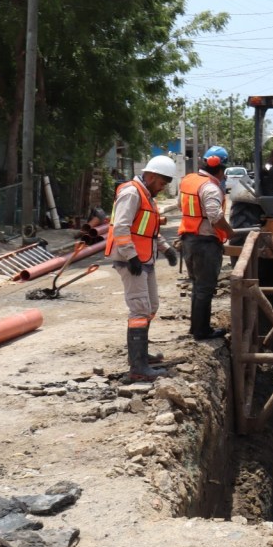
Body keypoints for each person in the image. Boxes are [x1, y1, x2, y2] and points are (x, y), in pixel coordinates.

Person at [105, 155, 179, 382]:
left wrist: (166, 249)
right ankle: (137, 368)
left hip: (144, 258)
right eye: (161, 183)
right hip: (132, 260)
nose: (163, 187)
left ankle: (141, 355)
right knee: (139, 309)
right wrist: (131, 256)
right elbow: (121, 227)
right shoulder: (131, 193)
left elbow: (148, 231)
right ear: (151, 176)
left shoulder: (146, 196)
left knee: (151, 306)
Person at [177, 145, 236, 340]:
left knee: (198, 285)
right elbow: (215, 216)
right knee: (205, 287)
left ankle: (197, 327)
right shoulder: (210, 188)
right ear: (221, 170)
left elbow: (180, 206)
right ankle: (202, 331)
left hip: (188, 239)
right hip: (205, 243)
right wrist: (229, 231)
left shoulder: (188, 181)